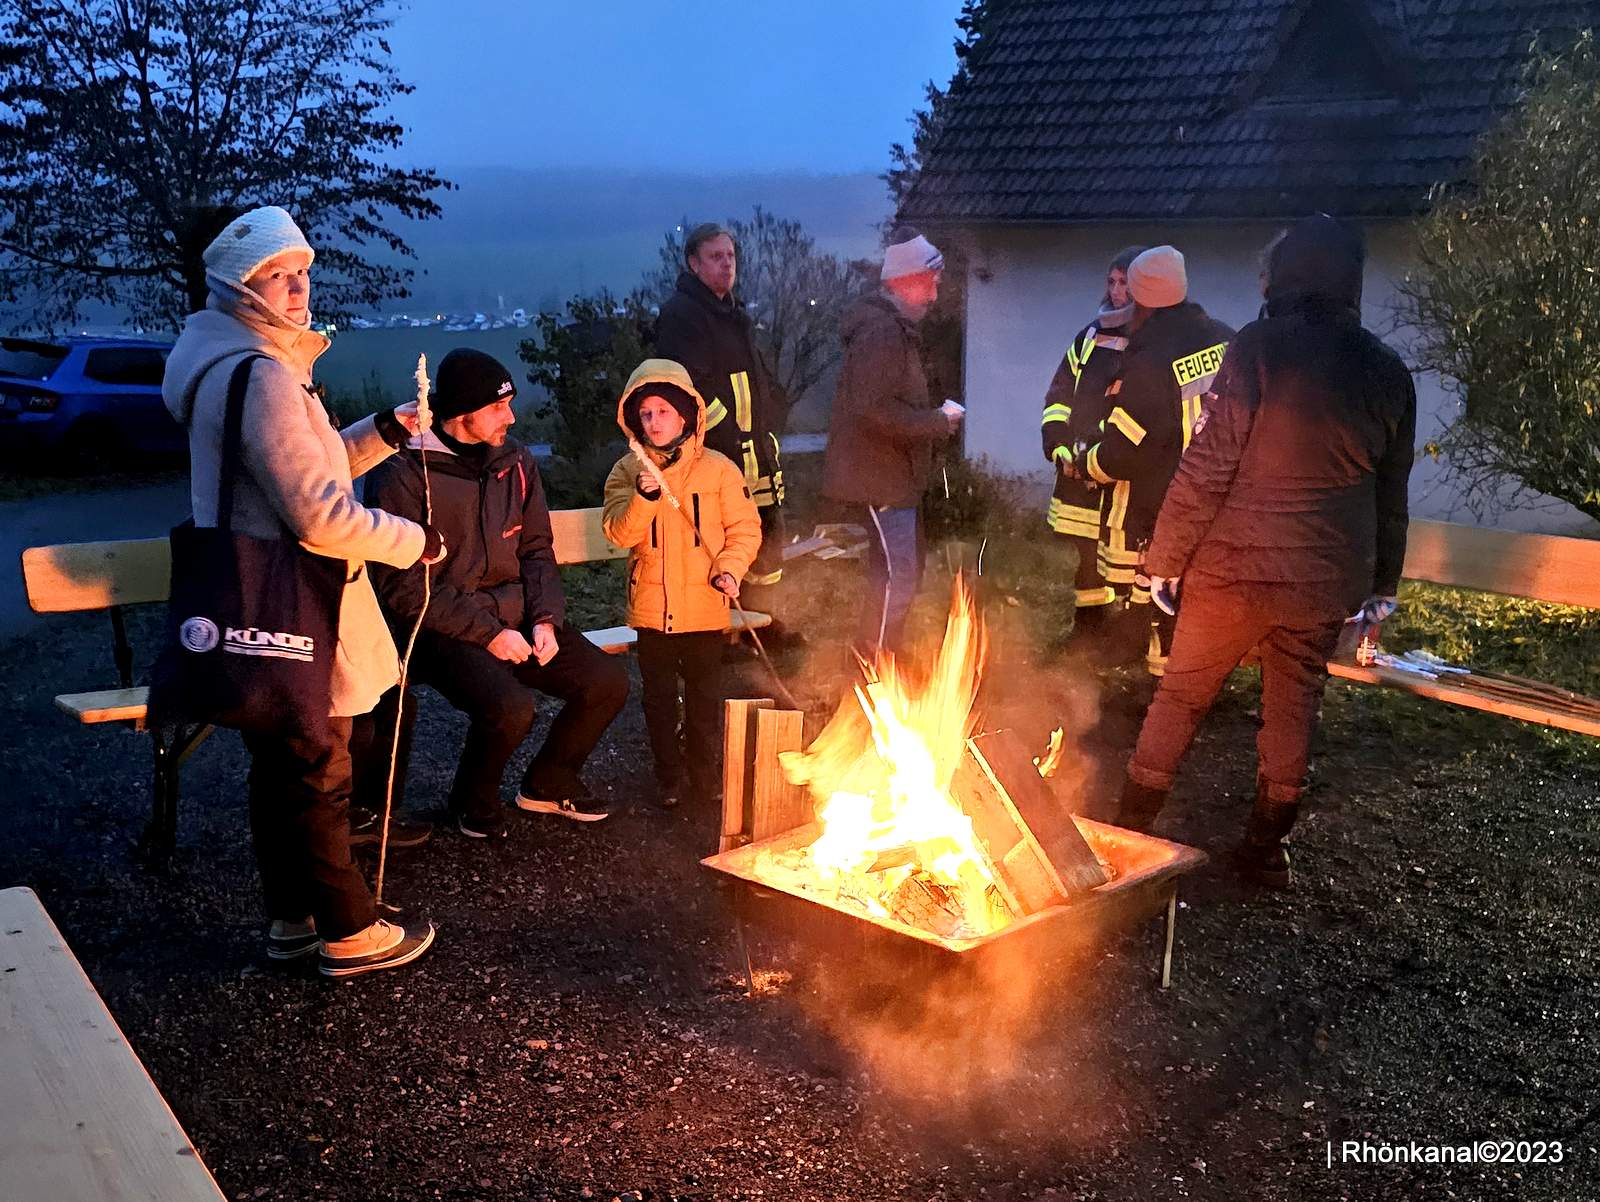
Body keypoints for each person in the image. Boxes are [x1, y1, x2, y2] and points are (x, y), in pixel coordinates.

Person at [161, 204, 439, 978]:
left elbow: (298, 474)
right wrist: (414, 540)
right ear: (237, 286)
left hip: (249, 605)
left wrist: (382, 430)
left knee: (281, 764)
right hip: (298, 608)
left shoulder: (231, 361)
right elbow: (318, 517)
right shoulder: (264, 376)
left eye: (300, 272)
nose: (295, 289)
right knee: (320, 766)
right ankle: (349, 931)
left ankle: (292, 920)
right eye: (275, 276)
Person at [1113, 216, 1417, 888]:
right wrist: (1381, 585)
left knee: (1182, 696)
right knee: (1293, 702)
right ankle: (1264, 851)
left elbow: (1207, 465)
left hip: (1234, 574)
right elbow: (1390, 494)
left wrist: (1164, 558)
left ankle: (1128, 831)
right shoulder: (1388, 371)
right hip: (1322, 581)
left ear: (1289, 276)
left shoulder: (1256, 348)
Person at [364, 349, 629, 838]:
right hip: (438, 625)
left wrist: (546, 619)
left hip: (516, 616)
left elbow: (536, 548)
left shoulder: (516, 461)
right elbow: (402, 587)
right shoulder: (404, 472)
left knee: (606, 682)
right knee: (509, 706)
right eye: (498, 407)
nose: (511, 416)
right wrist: (489, 635)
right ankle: (472, 802)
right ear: (462, 414)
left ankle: (548, 783)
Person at [602, 359, 762, 811]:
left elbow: (745, 530)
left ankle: (704, 774)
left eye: (663, 412)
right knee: (657, 701)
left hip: (706, 609)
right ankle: (668, 776)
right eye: (646, 414)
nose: (654, 422)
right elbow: (619, 533)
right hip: (652, 610)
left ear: (686, 415)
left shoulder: (719, 470)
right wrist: (644, 496)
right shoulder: (625, 472)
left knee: (704, 699)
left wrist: (730, 568)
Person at [1071, 245, 1234, 675]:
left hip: (1164, 504)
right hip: (1221, 500)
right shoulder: (1225, 338)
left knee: (1161, 600)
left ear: (1141, 300)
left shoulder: (1150, 360)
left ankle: (1163, 698)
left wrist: (1087, 466)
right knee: (1195, 597)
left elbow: (1125, 450)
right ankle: (1194, 683)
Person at [820, 228, 962, 658]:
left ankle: (880, 658)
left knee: (896, 573)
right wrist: (937, 422)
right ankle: (875, 666)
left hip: (890, 478)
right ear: (907, 280)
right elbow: (871, 410)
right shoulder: (882, 334)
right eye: (931, 282)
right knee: (898, 576)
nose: (936, 294)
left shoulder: (892, 329)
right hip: (880, 479)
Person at [654, 223, 791, 633]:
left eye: (730, 256)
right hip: (717, 455)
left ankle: (762, 626)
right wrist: (726, 435)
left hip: (754, 452)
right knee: (721, 544)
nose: (727, 264)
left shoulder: (733, 312)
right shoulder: (682, 316)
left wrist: (768, 421)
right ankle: (723, 634)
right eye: (716, 257)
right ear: (694, 264)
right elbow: (689, 388)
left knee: (765, 538)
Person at [1039, 245, 1145, 644]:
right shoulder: (1090, 335)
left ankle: (1129, 635)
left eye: (1126, 284)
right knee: (1084, 552)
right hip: (1076, 463)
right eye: (1112, 282)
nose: (1117, 293)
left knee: (1122, 555)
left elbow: (1137, 406)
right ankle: (1087, 631)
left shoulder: (1147, 342)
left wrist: (1099, 447)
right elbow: (1060, 393)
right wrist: (1059, 442)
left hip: (1114, 466)